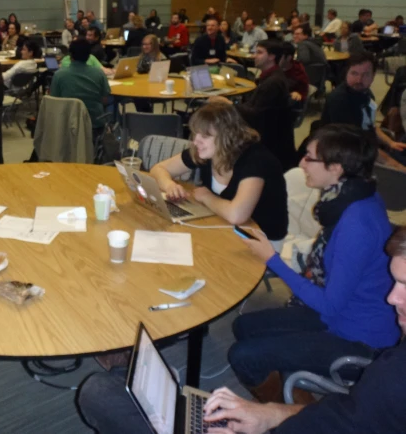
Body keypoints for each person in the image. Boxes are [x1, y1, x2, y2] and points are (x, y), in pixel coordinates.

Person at [78, 225, 406, 434]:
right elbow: (349, 416)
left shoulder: (396, 378)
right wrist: (272, 414)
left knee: (101, 392)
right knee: (136, 394)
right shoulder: (394, 368)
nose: (392, 297)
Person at [226, 124, 399, 404]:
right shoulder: (352, 196)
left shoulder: (356, 223)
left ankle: (303, 417)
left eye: (309, 157)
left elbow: (329, 304)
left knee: (243, 356)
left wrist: (272, 259)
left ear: (336, 168)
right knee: (244, 327)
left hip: (360, 339)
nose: (301, 163)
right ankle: (294, 389)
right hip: (341, 314)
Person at [150, 101, 288, 244]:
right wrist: (169, 186)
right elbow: (158, 169)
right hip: (226, 227)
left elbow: (237, 215)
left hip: (264, 242)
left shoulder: (256, 159)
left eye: (204, 136)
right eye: (195, 133)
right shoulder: (206, 152)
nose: (196, 141)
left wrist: (206, 197)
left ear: (226, 137)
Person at [318, 52, 406, 169]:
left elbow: (370, 126)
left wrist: (390, 142)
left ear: (373, 76)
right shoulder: (339, 99)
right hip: (345, 155)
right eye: (354, 73)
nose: (359, 80)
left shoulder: (366, 93)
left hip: (366, 148)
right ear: (346, 74)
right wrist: (395, 166)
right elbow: (354, 145)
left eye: (366, 75)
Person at [215, 40, 295, 170]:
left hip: (269, 139)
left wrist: (228, 103)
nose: (254, 56)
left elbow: (255, 114)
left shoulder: (273, 82)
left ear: (271, 56)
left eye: (259, 52)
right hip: (272, 133)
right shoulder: (272, 77)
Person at [50, 37, 111, 133]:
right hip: (94, 124)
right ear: (89, 56)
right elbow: (105, 98)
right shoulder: (99, 74)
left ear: (70, 56)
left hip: (67, 125)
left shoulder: (59, 75)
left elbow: (55, 101)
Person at [134, 34, 165, 113]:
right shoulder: (141, 57)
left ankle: (147, 116)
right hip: (142, 85)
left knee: (140, 98)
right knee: (136, 95)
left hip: (156, 87)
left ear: (154, 45)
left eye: (147, 44)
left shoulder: (161, 58)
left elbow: (160, 77)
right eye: (143, 44)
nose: (144, 47)